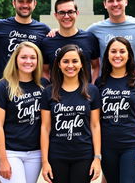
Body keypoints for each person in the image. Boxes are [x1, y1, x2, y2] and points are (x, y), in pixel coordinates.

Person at [40, 44, 101, 183]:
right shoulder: (49, 92)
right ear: (59, 65)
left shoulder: (92, 91)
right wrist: (45, 161)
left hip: (83, 155)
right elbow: (45, 127)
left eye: (75, 61)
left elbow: (95, 126)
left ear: (81, 64)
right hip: (56, 155)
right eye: (65, 61)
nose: (70, 65)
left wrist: (97, 158)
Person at [95, 37, 135, 183]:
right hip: (107, 146)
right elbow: (95, 119)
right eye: (113, 51)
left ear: (129, 55)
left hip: (132, 145)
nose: (117, 55)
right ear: (107, 55)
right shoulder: (100, 82)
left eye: (122, 51)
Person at [0, 41, 49, 183]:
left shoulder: (43, 85)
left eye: (32, 57)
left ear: (38, 60)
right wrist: (3, 160)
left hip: (35, 152)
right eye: (23, 57)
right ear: (15, 59)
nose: (28, 61)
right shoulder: (3, 86)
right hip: (10, 152)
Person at [41, 0, 100, 82]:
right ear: (56, 15)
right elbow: (44, 71)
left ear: (77, 13)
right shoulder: (47, 42)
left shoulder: (89, 39)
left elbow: (96, 66)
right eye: (62, 13)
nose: (66, 16)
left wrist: (92, 87)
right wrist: (50, 90)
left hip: (84, 94)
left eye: (70, 12)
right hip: (57, 95)